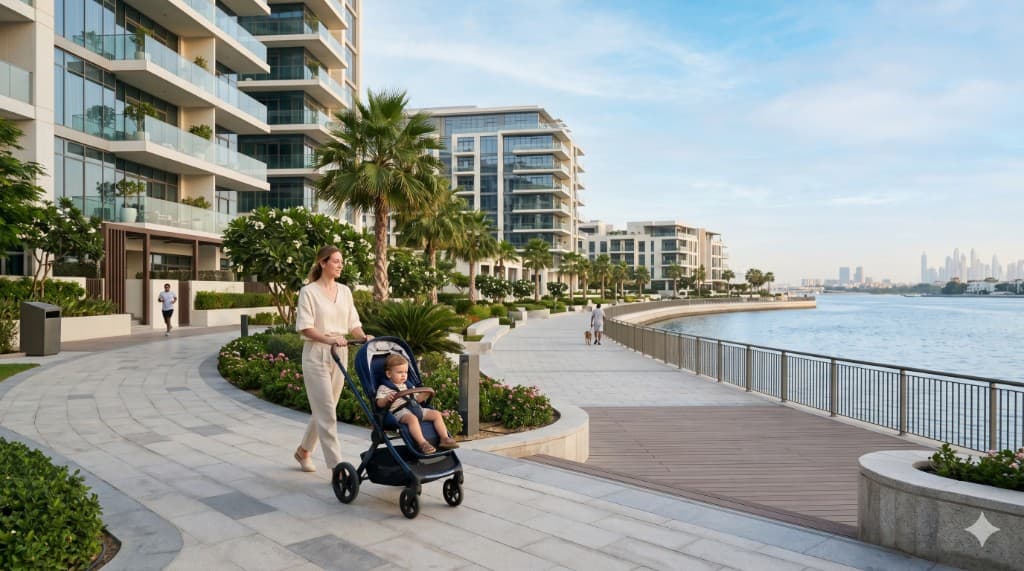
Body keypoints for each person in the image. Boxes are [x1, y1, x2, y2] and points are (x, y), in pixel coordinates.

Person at [293, 246, 372, 473]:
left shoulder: (345, 291)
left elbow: (353, 323)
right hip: (317, 354)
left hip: (340, 353)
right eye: (336, 261)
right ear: (323, 263)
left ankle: (303, 451)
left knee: (326, 409)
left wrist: (363, 337)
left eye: (341, 262)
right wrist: (329, 340)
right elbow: (306, 328)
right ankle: (338, 469)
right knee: (327, 412)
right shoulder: (308, 292)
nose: (340, 265)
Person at [375, 354, 459, 454]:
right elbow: (379, 403)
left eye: (406, 372)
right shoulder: (384, 388)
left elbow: (417, 400)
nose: (404, 375)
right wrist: (385, 399)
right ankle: (422, 443)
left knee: (435, 414)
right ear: (389, 374)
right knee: (412, 419)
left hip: (415, 408)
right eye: (400, 372)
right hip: (399, 412)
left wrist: (424, 394)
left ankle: (444, 438)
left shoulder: (408, 386)